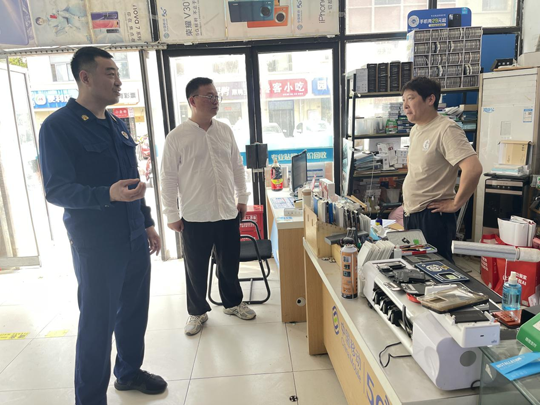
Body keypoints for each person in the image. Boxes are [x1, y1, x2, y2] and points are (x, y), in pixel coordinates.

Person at [39, 47, 166, 405]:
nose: (118, 81)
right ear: (85, 77)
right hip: (97, 245)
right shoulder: (58, 127)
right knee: (97, 324)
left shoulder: (117, 124)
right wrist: (105, 195)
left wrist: (147, 223)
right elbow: (56, 189)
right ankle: (91, 398)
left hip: (133, 236)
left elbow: (131, 180)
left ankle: (128, 372)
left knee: (134, 313)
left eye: (118, 73)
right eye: (110, 73)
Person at [161, 77, 256, 336]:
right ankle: (197, 312)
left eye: (217, 96)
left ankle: (233, 303)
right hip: (195, 215)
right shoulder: (176, 137)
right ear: (193, 100)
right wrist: (171, 213)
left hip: (227, 211)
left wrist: (242, 198)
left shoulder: (224, 130)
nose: (216, 101)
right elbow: (168, 178)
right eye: (209, 96)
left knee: (229, 264)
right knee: (196, 268)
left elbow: (237, 167)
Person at [401, 77, 483, 262]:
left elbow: (473, 169)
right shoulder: (416, 130)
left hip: (432, 217)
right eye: (403, 100)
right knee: (416, 266)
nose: (405, 105)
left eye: (411, 98)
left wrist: (456, 204)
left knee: (436, 268)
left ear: (430, 99)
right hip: (412, 213)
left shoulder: (446, 129)